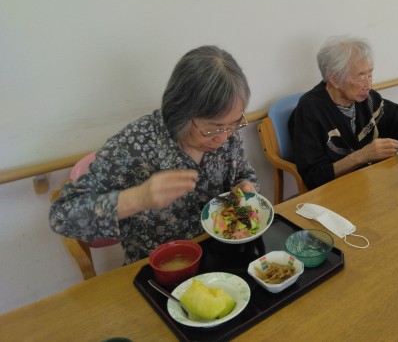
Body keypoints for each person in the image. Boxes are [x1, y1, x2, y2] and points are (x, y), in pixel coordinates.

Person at [49, 46, 258, 264]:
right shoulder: (135, 145)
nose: (223, 138)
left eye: (234, 124)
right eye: (213, 128)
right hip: (159, 269)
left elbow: (244, 175)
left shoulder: (228, 134)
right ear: (182, 112)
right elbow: (62, 216)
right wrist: (138, 198)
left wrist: (246, 187)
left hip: (223, 255)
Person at [288, 36, 398, 190]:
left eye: (370, 74)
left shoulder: (367, 99)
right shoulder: (310, 110)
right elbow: (313, 176)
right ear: (335, 79)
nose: (368, 85)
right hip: (334, 192)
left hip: (367, 184)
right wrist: (362, 156)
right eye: (361, 77)